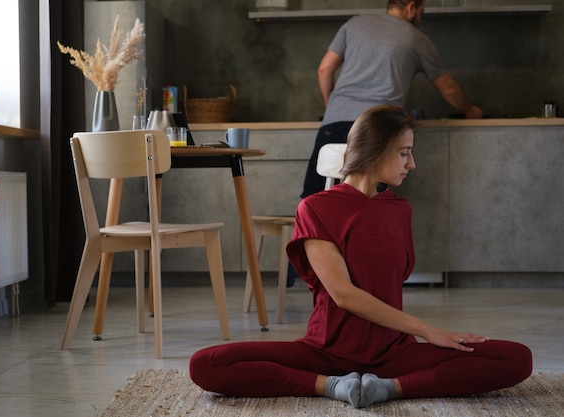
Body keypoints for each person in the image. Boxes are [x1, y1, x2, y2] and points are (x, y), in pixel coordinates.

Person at [189, 105, 532, 409]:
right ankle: (332, 387)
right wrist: (428, 330)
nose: (412, 163)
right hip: (325, 354)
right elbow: (344, 294)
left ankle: (388, 389)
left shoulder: (399, 208)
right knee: (207, 364)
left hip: (395, 354)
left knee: (516, 359)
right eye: (404, 153)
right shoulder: (316, 207)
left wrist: (417, 345)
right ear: (375, 150)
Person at [301, 0, 483, 198]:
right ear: (411, 7)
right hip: (378, 127)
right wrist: (471, 111)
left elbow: (324, 69)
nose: (420, 19)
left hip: (334, 123)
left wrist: (333, 108)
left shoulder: (354, 24)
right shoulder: (417, 39)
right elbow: (447, 88)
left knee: (316, 198)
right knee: (372, 202)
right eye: (421, 12)